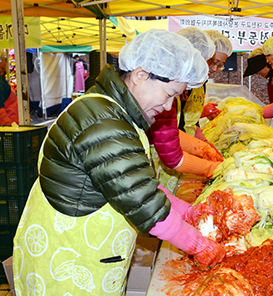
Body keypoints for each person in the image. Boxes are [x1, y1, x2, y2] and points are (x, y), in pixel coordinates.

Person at [13, 29, 225, 295]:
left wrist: (189, 213)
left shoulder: (111, 111)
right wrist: (199, 245)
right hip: (69, 263)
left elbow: (139, 186)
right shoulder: (104, 123)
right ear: (140, 75)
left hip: (83, 255)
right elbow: (145, 204)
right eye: (170, 93)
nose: (170, 106)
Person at [147, 27, 223, 186]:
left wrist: (201, 147)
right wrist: (210, 168)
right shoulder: (162, 88)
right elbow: (172, 155)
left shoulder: (164, 86)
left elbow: (168, 132)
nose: (168, 105)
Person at [0, 59, 17, 125]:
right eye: (2, 58)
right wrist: (9, 128)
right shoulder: (1, 83)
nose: (6, 61)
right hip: (8, 128)